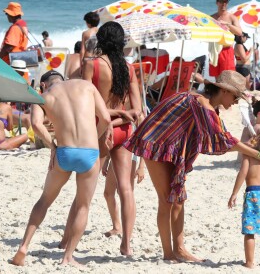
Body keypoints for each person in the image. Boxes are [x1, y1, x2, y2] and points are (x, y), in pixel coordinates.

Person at [124, 70, 260, 262]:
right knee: (166, 199)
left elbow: (220, 141)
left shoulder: (206, 105)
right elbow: (223, 141)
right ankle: (169, 253)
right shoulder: (202, 105)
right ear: (223, 91)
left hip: (171, 146)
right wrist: (256, 153)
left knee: (178, 198)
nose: (236, 102)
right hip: (154, 142)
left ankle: (179, 249)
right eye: (236, 96)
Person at [11, 70, 112, 266]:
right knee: (83, 206)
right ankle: (68, 256)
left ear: (43, 85)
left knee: (44, 200)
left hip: (64, 152)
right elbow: (106, 119)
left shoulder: (43, 97)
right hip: (89, 154)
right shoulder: (87, 86)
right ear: (63, 79)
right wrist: (94, 137)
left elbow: (37, 125)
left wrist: (53, 147)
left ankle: (23, 246)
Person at [81, 21, 142, 255]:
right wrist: (119, 119)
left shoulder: (92, 65)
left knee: (85, 190)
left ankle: (69, 241)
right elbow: (136, 112)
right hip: (124, 131)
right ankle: (126, 244)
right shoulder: (129, 69)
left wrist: (107, 121)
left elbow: (85, 103)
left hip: (98, 131)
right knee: (125, 189)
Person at [228, 134, 260, 269]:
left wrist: (234, 193)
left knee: (250, 230)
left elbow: (243, 173)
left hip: (253, 193)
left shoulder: (249, 155)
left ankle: (249, 263)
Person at [210, 0, 242, 78]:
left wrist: (227, 25)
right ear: (217, 3)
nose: (224, 4)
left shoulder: (232, 18)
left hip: (226, 50)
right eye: (221, 1)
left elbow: (239, 32)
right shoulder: (212, 18)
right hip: (214, 49)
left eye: (225, 2)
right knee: (216, 77)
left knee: (227, 77)